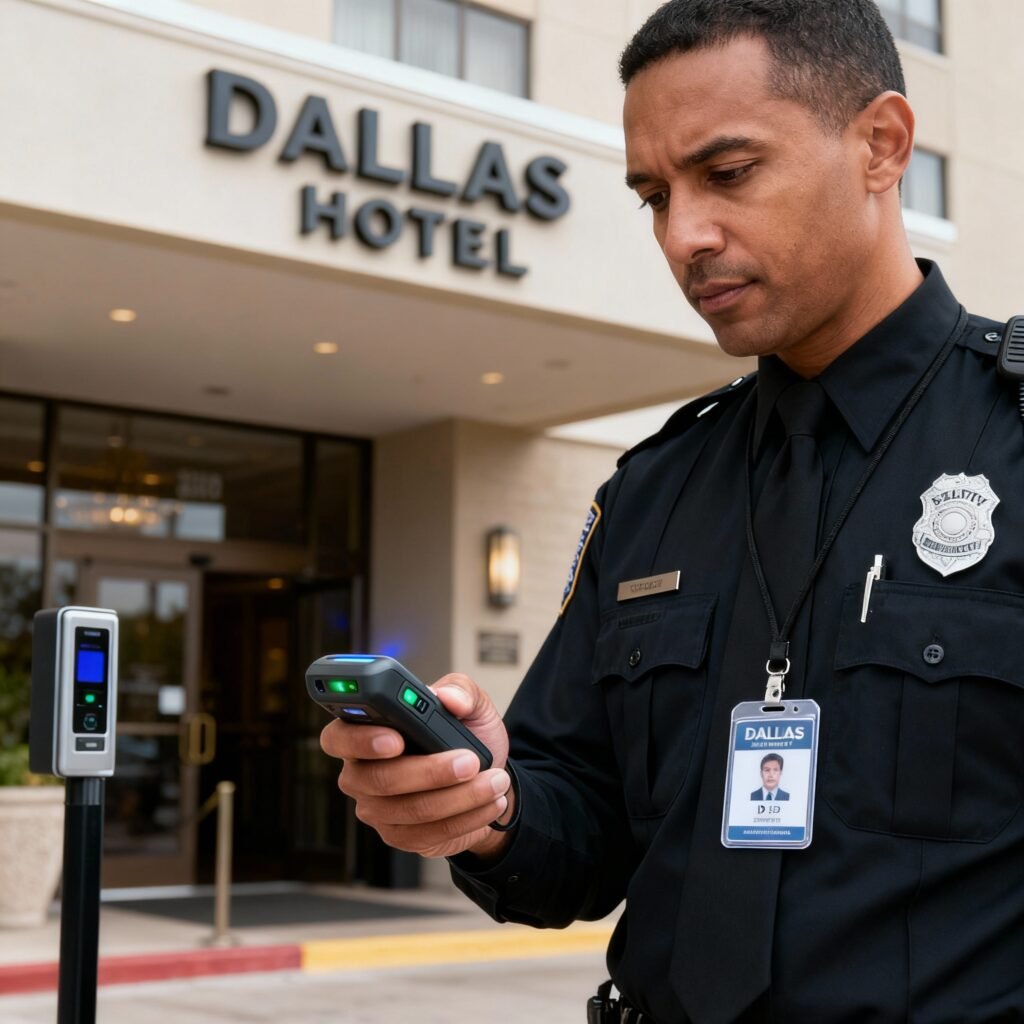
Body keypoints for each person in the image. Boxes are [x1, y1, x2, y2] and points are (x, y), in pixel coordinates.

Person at [321, 2, 1024, 1020]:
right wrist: (481, 807)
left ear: (881, 145)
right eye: (653, 195)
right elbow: (579, 831)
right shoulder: (654, 488)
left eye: (728, 174)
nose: (684, 234)